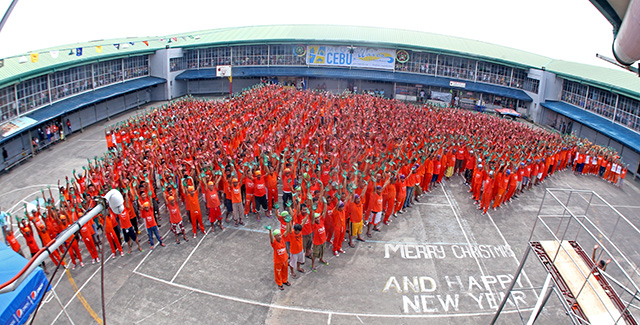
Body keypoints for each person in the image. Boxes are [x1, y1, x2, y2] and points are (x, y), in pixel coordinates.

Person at [266, 225, 291, 290]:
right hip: (278, 261)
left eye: (280, 235)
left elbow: (287, 231)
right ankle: (279, 283)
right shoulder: (274, 243)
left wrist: (288, 222)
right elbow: (271, 239)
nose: (280, 236)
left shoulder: (282, 238)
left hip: (284, 259)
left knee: (285, 271)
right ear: (275, 237)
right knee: (278, 273)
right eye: (278, 236)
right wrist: (270, 231)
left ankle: (284, 280)